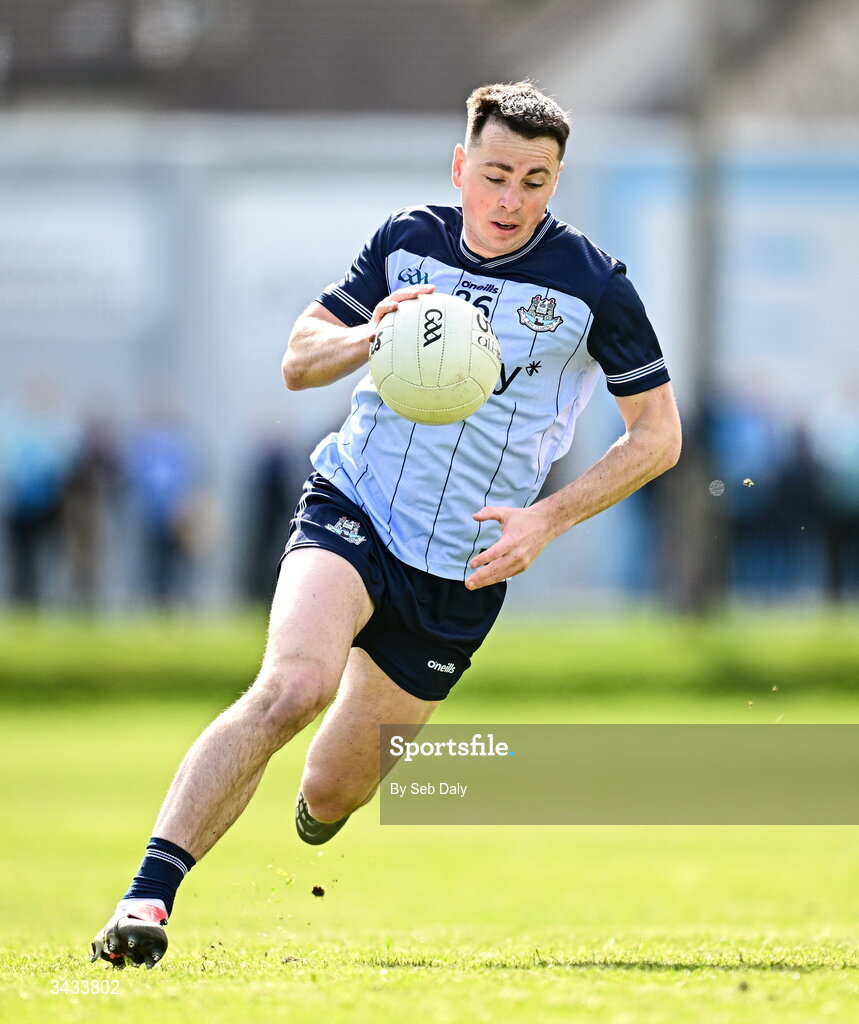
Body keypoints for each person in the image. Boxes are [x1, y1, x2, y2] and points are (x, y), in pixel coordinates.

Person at [91, 81, 682, 969]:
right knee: (292, 688)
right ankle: (145, 901)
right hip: (355, 503)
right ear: (459, 167)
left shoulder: (592, 284)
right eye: (493, 175)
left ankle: (313, 809)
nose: (510, 199)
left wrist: (546, 523)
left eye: (533, 179)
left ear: (556, 181)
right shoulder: (407, 240)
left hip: (466, 564)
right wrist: (373, 337)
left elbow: (658, 436)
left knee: (334, 791)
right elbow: (298, 361)